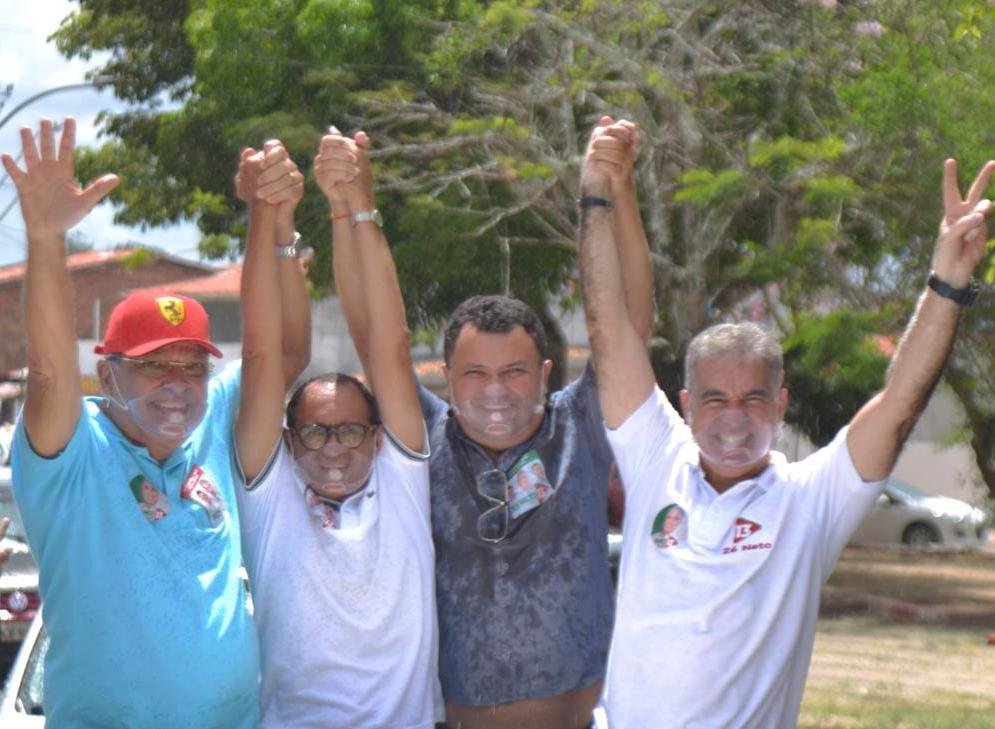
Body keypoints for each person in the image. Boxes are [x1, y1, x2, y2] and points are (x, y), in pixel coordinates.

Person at [578, 127, 994, 727]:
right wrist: (597, 196)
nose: (733, 418)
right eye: (716, 399)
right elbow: (608, 332)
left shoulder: (810, 501)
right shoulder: (653, 459)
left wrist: (948, 281)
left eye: (753, 398)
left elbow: (901, 399)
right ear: (687, 404)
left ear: (781, 405)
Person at [334, 117, 653, 729]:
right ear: (448, 380)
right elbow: (377, 338)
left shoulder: (580, 429)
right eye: (475, 374)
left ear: (546, 374)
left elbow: (628, 324)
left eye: (514, 371)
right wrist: (354, 208)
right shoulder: (423, 438)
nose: (497, 391)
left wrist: (617, 191)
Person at [0, 118, 309, 727]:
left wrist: (267, 214)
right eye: (154, 366)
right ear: (108, 373)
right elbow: (51, 374)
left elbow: (281, 354)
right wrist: (45, 235)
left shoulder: (212, 426)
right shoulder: (74, 452)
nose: (177, 384)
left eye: (192, 366)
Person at [233, 127, 441, 727]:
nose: (332, 449)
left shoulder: (400, 481)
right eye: (315, 434)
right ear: (288, 442)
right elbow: (261, 354)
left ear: (377, 437)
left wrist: (356, 205)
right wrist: (269, 217)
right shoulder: (269, 501)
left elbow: (389, 347)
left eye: (350, 431)